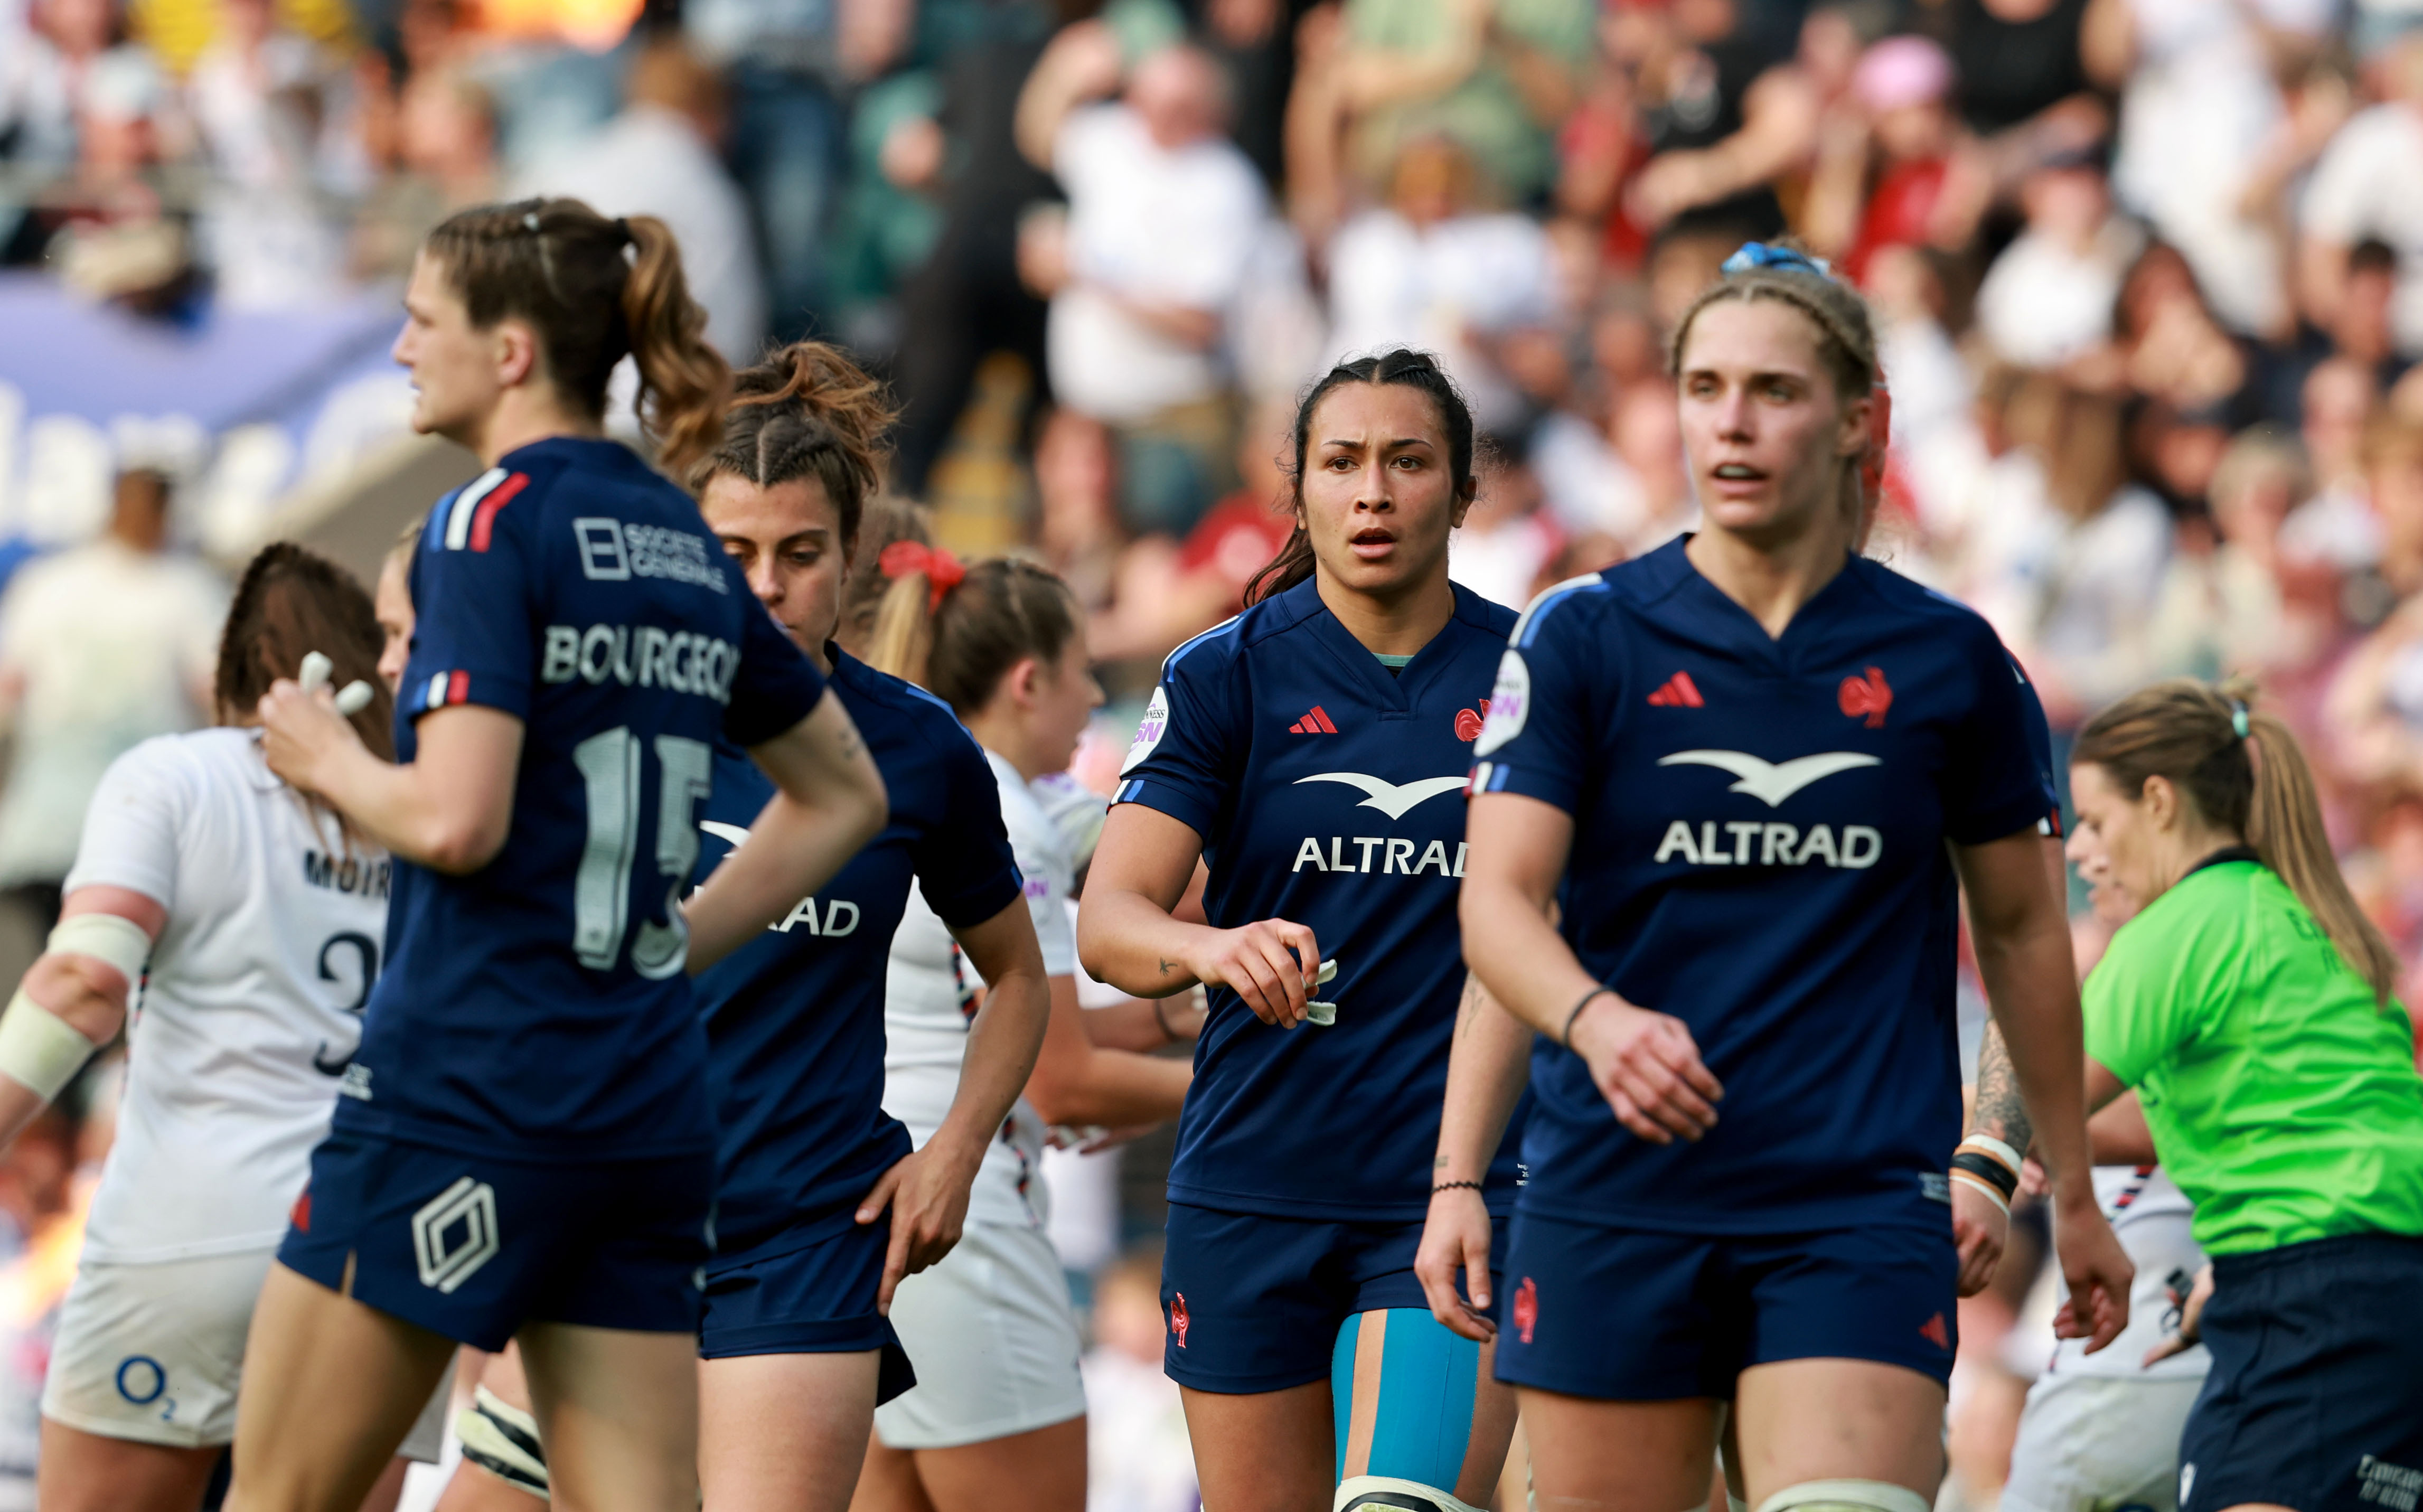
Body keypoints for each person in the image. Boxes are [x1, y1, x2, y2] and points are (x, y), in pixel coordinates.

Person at [225, 196, 890, 1512]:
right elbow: (843, 794)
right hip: (643, 1110)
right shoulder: (675, 537)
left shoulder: (487, 519)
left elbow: (456, 819)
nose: (404, 350)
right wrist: (666, 947)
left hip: (470, 1083)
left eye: (423, 322)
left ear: (512, 349)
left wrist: (327, 755)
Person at [1445, 245, 2132, 1512]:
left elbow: (2029, 931)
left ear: (1855, 419)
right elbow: (1496, 904)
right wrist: (1587, 1031)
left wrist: (2070, 1195)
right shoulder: (1581, 633)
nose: (1732, 420)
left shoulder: (1949, 659)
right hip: (1614, 1193)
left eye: (1771, 388)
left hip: (1852, 1201)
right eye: (1704, 386)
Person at [436, 341, 1062, 1512]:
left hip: (803, 1235)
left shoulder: (918, 749)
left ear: (851, 559)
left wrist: (955, 1157)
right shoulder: (592, 711)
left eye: (800, 554)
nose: (766, 587)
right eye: (734, 555)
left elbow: (1019, 980)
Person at [1078, 349, 1525, 1512]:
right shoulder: (1224, 674)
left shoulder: (1538, 673)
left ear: (1464, 492)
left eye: (1407, 461)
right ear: (1300, 491)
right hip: (1250, 1182)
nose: (1371, 492)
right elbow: (1110, 923)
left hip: (1451, 1184)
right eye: (1342, 462)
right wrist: (1209, 948)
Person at [0, 543, 438, 1512]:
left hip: (189, 1236)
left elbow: (82, 980)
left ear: (230, 674)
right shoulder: (434, 809)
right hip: (378, 1244)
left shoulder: (174, 776)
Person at [851, 550, 1195, 1512]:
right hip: (965, 1229)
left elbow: (1017, 1032)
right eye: (1082, 666)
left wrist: (1177, 1012)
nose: (1094, 693)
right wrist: (1247, 1085)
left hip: (869, 1225)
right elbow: (1061, 1085)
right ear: (1028, 679)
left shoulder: (929, 778)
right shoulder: (1002, 808)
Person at [2044, 680, 2423, 1510]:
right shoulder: (2314, 920)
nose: (2079, 849)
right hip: (2377, 1290)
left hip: (2312, 1302)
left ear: (2159, 802)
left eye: (2098, 823)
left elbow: (2038, 1099)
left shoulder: (2184, 925)